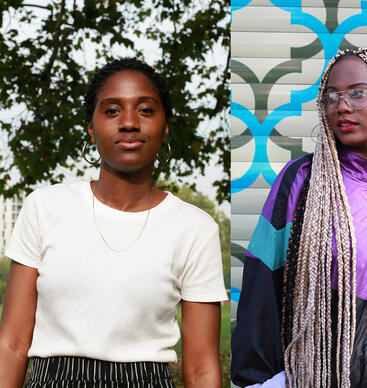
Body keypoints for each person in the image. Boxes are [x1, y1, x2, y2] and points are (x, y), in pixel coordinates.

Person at [231, 48, 367, 388]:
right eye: (331, 97)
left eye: (357, 93)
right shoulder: (302, 182)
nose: (343, 106)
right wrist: (259, 383)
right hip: (314, 379)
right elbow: (262, 282)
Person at [0, 58, 228, 387]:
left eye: (146, 110)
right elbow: (12, 344)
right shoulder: (44, 207)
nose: (129, 123)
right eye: (111, 111)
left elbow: (202, 368)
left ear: (165, 126)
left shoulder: (194, 228)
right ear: (91, 128)